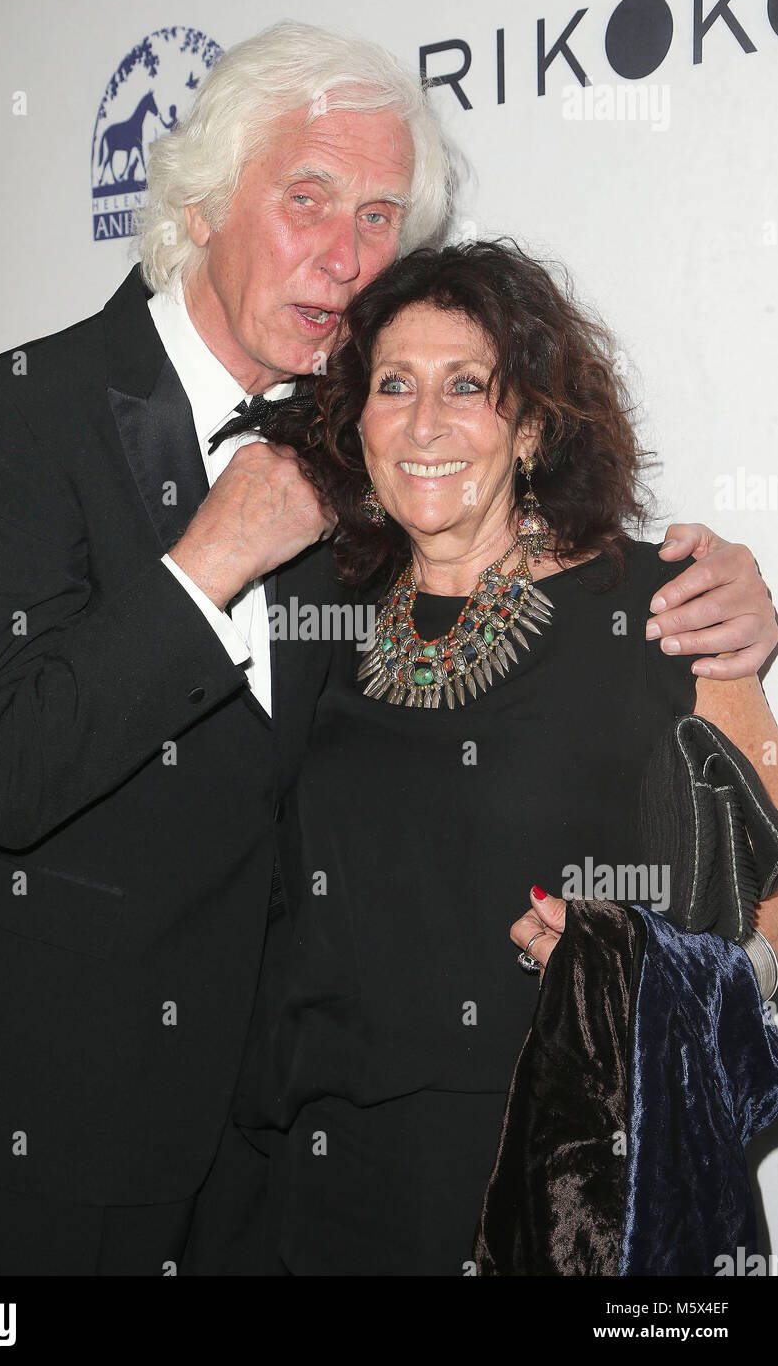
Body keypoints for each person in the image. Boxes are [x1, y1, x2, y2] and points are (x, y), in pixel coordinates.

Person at [0, 20, 775, 1277]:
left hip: (284, 1133)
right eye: (307, 197)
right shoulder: (25, 409)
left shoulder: (364, 431)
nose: (347, 253)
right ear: (202, 203)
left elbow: (515, 567)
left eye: (377, 216)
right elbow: (1, 767)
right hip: (65, 1103)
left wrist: (732, 605)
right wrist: (210, 558)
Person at [242, 238, 778, 1276]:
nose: (425, 421)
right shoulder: (315, 611)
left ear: (531, 425)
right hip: (331, 1176)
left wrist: (637, 969)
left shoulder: (660, 611)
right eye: (393, 384)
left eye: (467, 386)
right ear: (357, 421)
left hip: (565, 1189)